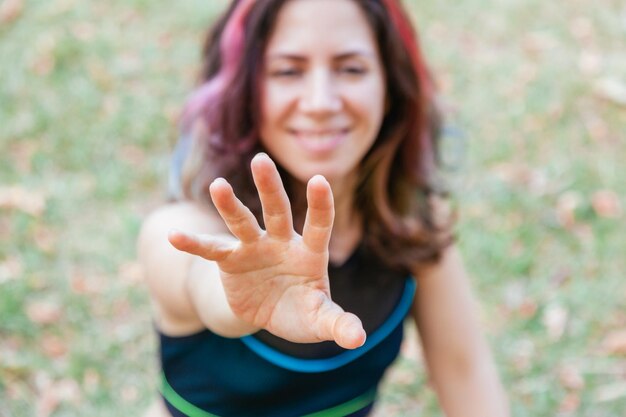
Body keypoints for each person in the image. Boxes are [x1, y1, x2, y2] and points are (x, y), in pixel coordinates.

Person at [139, 0, 509, 416]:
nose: (320, 102)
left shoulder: (412, 225)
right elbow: (197, 275)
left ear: (390, 87)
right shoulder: (186, 228)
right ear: (246, 91)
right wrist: (239, 292)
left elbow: (466, 373)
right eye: (288, 70)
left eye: (351, 69)